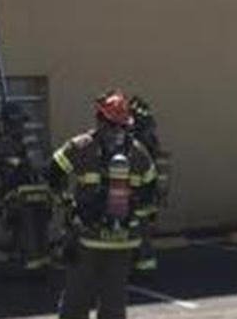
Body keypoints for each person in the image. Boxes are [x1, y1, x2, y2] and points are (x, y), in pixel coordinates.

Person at [49, 90, 159, 319]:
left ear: (100, 119)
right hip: (122, 241)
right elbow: (151, 192)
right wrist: (135, 218)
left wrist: (65, 202)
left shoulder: (82, 146)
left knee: (76, 302)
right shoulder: (139, 153)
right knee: (113, 305)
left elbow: (53, 170)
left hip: (87, 238)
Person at [0, 113, 53, 270]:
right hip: (14, 193)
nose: (20, 127)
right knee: (27, 215)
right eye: (16, 123)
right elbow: (10, 171)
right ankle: (31, 256)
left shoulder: (32, 142)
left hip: (37, 192)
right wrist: (25, 164)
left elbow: (44, 165)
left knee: (40, 215)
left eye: (21, 123)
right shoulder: (3, 145)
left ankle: (42, 256)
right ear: (6, 125)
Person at [128, 96, 171, 272]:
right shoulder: (151, 138)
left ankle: (139, 265)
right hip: (148, 193)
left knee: (136, 230)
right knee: (143, 229)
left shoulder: (138, 140)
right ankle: (144, 264)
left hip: (137, 192)